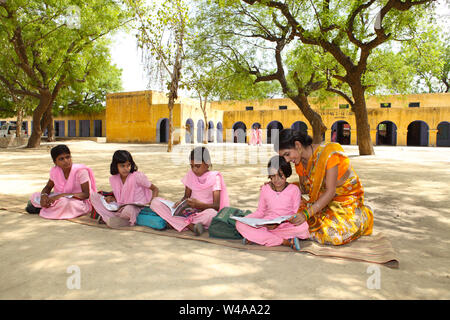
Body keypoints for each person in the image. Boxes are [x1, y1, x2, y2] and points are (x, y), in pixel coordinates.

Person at [275, 129, 374, 246]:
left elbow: (330, 191)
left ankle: (364, 215)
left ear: (298, 145)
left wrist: (306, 214)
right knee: (286, 211)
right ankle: (300, 230)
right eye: (283, 157)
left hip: (344, 203)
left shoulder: (328, 155)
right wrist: (279, 186)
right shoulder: (300, 162)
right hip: (320, 204)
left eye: (287, 154)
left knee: (333, 235)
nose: (287, 160)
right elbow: (305, 188)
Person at [150, 146, 229, 236]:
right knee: (155, 202)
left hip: (203, 213)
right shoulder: (190, 175)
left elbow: (216, 206)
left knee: (212, 215)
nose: (194, 169)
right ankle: (190, 225)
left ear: (207, 163)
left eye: (197, 166)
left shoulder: (215, 177)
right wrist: (180, 203)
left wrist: (199, 205)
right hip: (188, 212)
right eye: (192, 166)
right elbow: (186, 197)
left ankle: (178, 223)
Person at [235, 156, 309, 250]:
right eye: (273, 176)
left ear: (287, 174)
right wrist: (248, 220)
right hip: (267, 224)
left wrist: (279, 224)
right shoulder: (265, 189)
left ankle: (258, 238)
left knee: (303, 228)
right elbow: (260, 212)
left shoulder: (294, 190)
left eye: (280, 175)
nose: (276, 179)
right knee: (239, 224)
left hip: (285, 225)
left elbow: (294, 213)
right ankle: (284, 241)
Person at [90, 150, 159, 229]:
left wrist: (152, 201)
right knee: (93, 196)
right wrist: (112, 198)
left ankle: (112, 219)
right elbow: (121, 197)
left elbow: (155, 189)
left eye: (128, 165)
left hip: (135, 208)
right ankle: (118, 219)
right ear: (116, 166)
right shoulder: (114, 179)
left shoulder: (137, 176)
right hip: (119, 207)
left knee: (129, 209)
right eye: (122, 166)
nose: (126, 168)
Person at [27, 144, 97, 219]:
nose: (66, 161)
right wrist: (43, 196)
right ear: (55, 162)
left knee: (65, 203)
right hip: (59, 197)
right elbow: (48, 187)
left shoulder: (81, 171)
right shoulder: (55, 171)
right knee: (35, 196)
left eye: (68, 157)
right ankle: (49, 207)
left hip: (79, 200)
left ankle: (46, 209)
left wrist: (62, 195)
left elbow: (86, 194)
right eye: (61, 159)